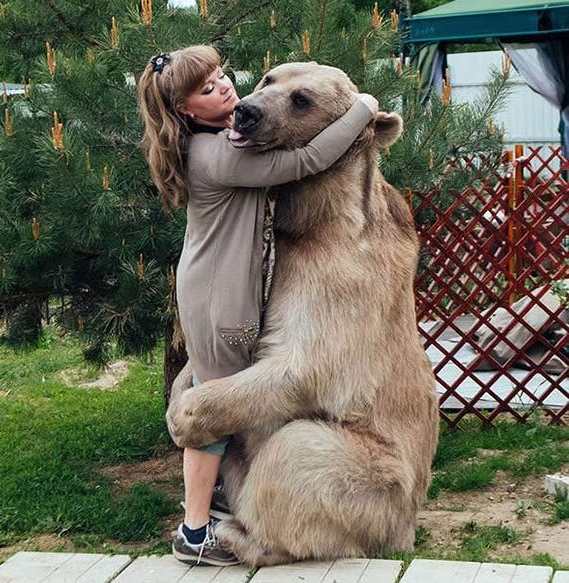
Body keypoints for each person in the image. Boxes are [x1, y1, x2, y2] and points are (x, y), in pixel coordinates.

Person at [137, 45, 378, 566]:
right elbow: (309, 159)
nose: (230, 90)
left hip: (212, 287)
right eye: (206, 90)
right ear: (184, 110)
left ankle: (214, 502)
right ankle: (195, 531)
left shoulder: (218, 140)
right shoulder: (221, 155)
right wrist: (363, 108)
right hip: (219, 297)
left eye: (223, 77)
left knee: (213, 395)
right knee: (208, 415)